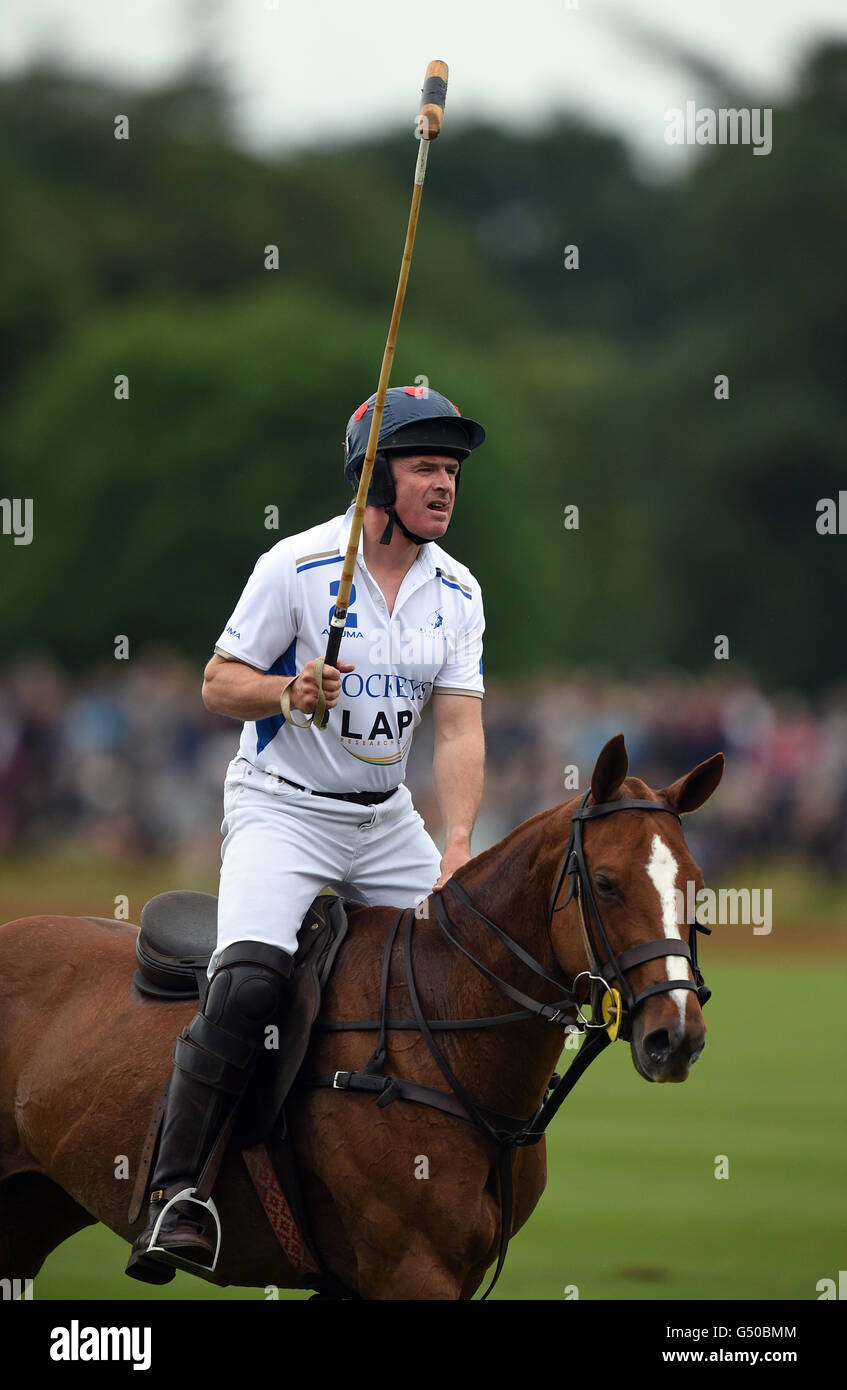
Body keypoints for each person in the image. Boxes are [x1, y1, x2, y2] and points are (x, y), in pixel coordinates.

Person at [126, 385, 488, 1283]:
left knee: (463, 975)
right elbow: (217, 684)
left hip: (385, 820)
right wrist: (289, 691)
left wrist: (457, 844)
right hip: (281, 808)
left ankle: (447, 1180)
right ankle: (179, 1193)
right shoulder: (295, 566)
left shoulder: (458, 590)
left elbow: (457, 728)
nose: (443, 484)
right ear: (374, 479)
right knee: (248, 981)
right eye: (424, 467)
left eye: (450, 469)